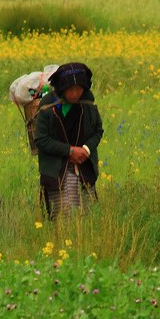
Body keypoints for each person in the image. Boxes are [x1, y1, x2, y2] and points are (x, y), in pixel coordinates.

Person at [33, 62, 103, 220]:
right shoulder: (48, 107)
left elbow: (98, 130)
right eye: (70, 89)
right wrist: (70, 151)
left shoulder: (88, 105)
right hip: (57, 169)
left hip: (84, 167)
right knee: (61, 217)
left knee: (88, 216)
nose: (75, 93)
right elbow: (41, 139)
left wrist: (86, 149)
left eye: (79, 89)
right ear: (61, 88)